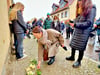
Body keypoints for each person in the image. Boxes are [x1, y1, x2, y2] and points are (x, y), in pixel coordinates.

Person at [66, 0, 96, 68]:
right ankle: (72, 57)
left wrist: (76, 25)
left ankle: (79, 61)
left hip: (84, 32)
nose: (79, 3)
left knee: (81, 47)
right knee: (73, 44)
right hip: (77, 30)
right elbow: (78, 20)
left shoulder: (92, 8)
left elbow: (89, 23)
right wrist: (71, 21)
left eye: (80, 1)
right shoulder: (82, 10)